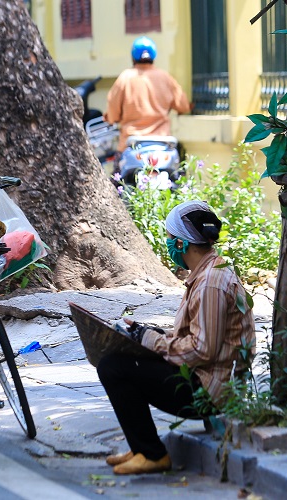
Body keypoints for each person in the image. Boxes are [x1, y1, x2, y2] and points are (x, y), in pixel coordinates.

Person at [96, 200, 256, 475]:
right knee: (120, 358)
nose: (168, 245)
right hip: (199, 376)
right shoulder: (208, 272)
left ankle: (152, 454)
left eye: (170, 239)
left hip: (206, 392)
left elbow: (201, 351)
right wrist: (146, 334)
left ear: (182, 244)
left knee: (113, 367)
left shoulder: (210, 283)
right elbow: (195, 337)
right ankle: (141, 448)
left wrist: (150, 340)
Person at [103, 36, 193, 161]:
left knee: (117, 179)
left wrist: (112, 118)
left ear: (133, 57)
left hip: (131, 145)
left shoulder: (125, 78)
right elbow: (183, 106)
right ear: (153, 56)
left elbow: (112, 115)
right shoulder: (165, 77)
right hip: (162, 145)